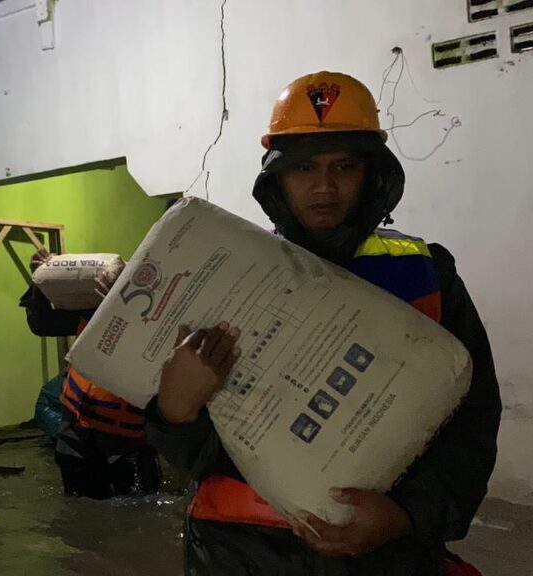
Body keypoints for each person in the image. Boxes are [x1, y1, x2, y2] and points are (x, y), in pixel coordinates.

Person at [146, 71, 501, 575]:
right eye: (304, 167)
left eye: (345, 166)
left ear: (372, 173)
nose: (325, 187)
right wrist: (174, 412)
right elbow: (198, 454)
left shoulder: (428, 273)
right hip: (239, 555)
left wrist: (406, 517)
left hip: (386, 555)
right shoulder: (225, 276)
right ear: (276, 177)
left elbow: (474, 418)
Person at [20, 248, 162, 499]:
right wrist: (39, 283)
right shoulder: (90, 312)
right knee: (78, 509)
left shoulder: (158, 325)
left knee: (136, 508)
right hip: (76, 436)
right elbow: (42, 323)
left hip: (126, 445)